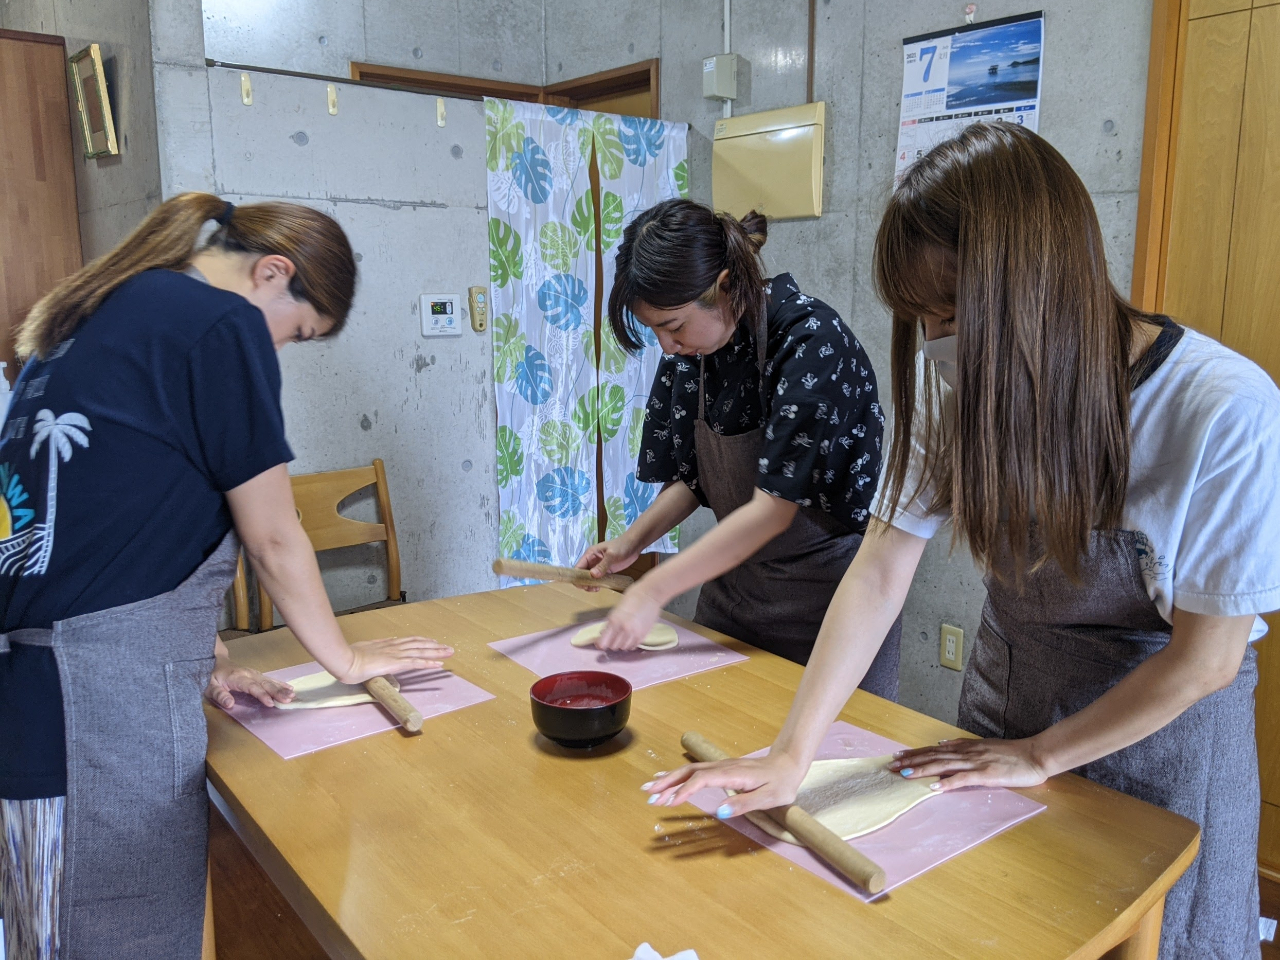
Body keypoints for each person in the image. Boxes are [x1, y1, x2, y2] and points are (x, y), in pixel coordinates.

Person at [643, 123, 1280, 960]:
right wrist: (792, 753)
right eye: (922, 317)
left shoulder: (1222, 408)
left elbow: (1206, 661)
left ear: (1040, 283)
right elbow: (879, 568)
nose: (937, 340)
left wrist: (1044, 755)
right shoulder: (956, 385)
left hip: (1160, 747)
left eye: (950, 311)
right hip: (1004, 709)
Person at [0, 193, 452, 959]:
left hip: (46, 702)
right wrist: (344, 659)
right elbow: (274, 535)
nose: (277, 352)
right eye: (298, 333)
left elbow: (114, 517)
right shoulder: (218, 321)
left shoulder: (94, 316)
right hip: (96, 720)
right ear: (273, 274)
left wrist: (202, 660)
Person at [575, 199, 901, 696]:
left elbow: (773, 511)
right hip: (735, 595)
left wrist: (655, 588)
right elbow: (692, 478)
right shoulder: (694, 355)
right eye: (656, 330)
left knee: (828, 761)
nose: (666, 346)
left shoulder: (813, 345)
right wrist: (629, 545)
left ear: (725, 286)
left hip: (829, 603)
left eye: (674, 325)